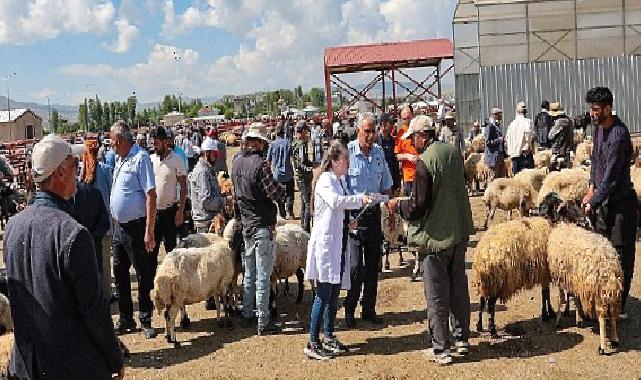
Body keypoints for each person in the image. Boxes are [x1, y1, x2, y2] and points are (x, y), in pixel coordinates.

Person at [4, 134, 124, 379]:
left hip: (29, 366)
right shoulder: (72, 233)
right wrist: (115, 358)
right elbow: (93, 310)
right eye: (74, 166)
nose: (78, 173)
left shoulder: (13, 227)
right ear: (60, 173)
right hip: (71, 366)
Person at [387, 114, 474, 366]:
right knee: (458, 287)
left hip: (435, 238)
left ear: (423, 136)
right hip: (458, 232)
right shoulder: (453, 153)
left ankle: (441, 348)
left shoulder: (425, 161)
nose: (412, 144)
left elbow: (418, 206)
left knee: (436, 293)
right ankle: (462, 339)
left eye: (413, 138)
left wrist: (398, 207)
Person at [304, 141, 370, 360]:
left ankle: (329, 335)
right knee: (322, 295)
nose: (348, 165)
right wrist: (359, 199)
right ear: (334, 161)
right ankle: (312, 342)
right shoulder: (325, 180)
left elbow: (336, 212)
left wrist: (348, 222)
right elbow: (334, 203)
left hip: (336, 243)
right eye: (345, 160)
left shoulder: (338, 181)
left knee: (333, 294)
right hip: (325, 245)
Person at [582, 87, 637, 319]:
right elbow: (596, 161)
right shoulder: (598, 130)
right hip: (603, 202)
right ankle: (605, 300)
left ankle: (619, 306)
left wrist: (592, 201)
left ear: (607, 108)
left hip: (621, 204)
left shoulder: (619, 134)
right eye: (591, 110)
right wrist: (591, 186)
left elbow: (612, 177)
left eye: (596, 110)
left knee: (621, 256)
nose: (592, 114)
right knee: (603, 254)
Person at [232, 122, 286, 335]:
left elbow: (236, 197)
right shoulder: (261, 165)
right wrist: (283, 193)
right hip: (262, 224)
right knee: (263, 274)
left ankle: (247, 313)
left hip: (246, 224)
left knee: (249, 272)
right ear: (261, 143)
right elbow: (274, 193)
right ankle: (263, 321)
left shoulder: (236, 163)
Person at [110, 120, 158, 339]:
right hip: (119, 228)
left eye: (112, 141)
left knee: (142, 272)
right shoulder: (120, 159)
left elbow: (150, 195)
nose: (110, 145)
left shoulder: (141, 158)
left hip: (136, 227)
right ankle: (127, 317)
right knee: (120, 272)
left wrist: (149, 230)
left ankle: (146, 318)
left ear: (120, 141)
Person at [344, 115, 393, 327]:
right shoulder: (347, 154)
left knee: (373, 266)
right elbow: (340, 188)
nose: (371, 136)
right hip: (354, 218)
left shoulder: (379, 153)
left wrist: (390, 211)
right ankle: (349, 308)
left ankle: (369, 308)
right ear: (358, 130)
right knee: (355, 268)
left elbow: (387, 185)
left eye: (373, 131)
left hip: (374, 216)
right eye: (367, 131)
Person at [80, 139, 114, 297]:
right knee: (105, 263)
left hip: (87, 227)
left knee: (90, 263)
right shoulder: (106, 170)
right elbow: (111, 196)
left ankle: (94, 294)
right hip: (104, 225)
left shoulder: (82, 174)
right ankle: (106, 296)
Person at [151, 126, 187, 262]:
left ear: (165, 142)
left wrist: (181, 211)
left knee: (171, 253)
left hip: (170, 213)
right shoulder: (151, 160)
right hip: (154, 214)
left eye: (156, 143)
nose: (154, 146)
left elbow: (183, 187)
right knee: (151, 253)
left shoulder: (176, 159)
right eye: (153, 143)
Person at [190, 138, 230, 233]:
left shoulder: (208, 169)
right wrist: (225, 201)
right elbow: (206, 201)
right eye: (215, 154)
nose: (216, 157)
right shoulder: (202, 172)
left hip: (209, 219)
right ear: (207, 153)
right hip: (205, 222)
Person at [267, 123, 295, 220]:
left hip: (277, 174)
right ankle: (290, 211)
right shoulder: (288, 143)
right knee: (290, 192)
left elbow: (269, 160)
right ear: (284, 132)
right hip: (288, 173)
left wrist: (270, 171)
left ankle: (282, 213)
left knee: (279, 194)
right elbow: (292, 158)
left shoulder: (272, 144)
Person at [292, 121, 314, 232]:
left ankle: (303, 226)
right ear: (303, 131)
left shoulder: (295, 143)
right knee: (308, 204)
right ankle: (306, 229)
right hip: (303, 177)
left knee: (304, 203)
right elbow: (302, 162)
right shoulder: (301, 144)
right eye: (306, 131)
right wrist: (311, 167)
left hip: (300, 176)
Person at [505, 101, 534, 175]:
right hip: (524, 154)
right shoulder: (527, 122)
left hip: (514, 155)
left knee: (517, 179)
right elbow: (528, 134)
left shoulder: (511, 124)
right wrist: (528, 145)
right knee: (527, 178)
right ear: (525, 112)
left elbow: (507, 138)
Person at [395, 105, 419, 195]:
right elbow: (396, 155)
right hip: (408, 176)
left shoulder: (419, 130)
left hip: (421, 173)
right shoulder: (401, 133)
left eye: (408, 118)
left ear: (413, 115)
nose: (407, 121)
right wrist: (408, 156)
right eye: (404, 119)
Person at [376, 113, 401, 193]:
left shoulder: (392, 141)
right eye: (391, 123)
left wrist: (397, 182)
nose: (393, 126)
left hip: (390, 184)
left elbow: (394, 162)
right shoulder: (374, 141)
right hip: (378, 184)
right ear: (383, 124)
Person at [484, 107, 505, 181]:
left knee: (501, 178)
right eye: (500, 114)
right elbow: (487, 142)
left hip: (499, 155)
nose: (501, 116)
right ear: (495, 115)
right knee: (493, 178)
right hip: (493, 158)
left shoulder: (497, 125)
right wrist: (498, 140)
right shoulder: (490, 126)